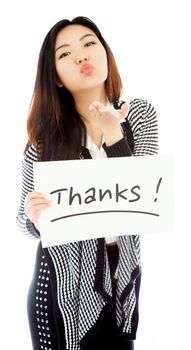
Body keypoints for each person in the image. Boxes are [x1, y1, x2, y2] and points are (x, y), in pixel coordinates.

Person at [16, 16, 158, 350]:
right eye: (65, 53)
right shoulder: (43, 144)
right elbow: (22, 225)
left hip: (120, 282)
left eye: (89, 43)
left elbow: (143, 202)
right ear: (57, 78)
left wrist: (113, 134)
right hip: (57, 287)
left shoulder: (139, 115)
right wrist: (34, 219)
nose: (81, 56)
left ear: (105, 53)